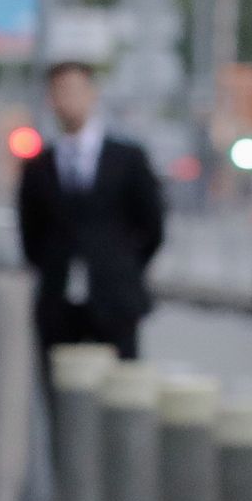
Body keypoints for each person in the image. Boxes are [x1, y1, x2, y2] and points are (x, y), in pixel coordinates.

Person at [17, 61, 165, 366]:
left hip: (115, 300)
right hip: (59, 302)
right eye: (59, 91)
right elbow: (31, 234)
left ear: (92, 94)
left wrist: (122, 266)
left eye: (74, 90)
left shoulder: (127, 159)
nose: (67, 99)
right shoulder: (39, 166)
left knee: (119, 392)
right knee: (61, 389)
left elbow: (152, 226)